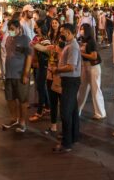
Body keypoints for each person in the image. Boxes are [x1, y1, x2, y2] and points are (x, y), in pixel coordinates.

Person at [50, 23, 82, 152]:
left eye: (63, 32)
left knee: (65, 112)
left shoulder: (73, 46)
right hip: (70, 80)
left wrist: (57, 70)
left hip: (70, 81)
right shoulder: (69, 45)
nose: (61, 34)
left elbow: (71, 67)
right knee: (72, 110)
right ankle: (73, 136)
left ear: (69, 32)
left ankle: (66, 143)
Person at [1, 19, 33, 133]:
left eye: (12, 29)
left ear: (19, 28)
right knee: (10, 98)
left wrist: (26, 74)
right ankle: (14, 119)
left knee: (22, 100)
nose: (10, 31)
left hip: (20, 75)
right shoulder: (9, 39)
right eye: (9, 29)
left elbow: (29, 57)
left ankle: (22, 122)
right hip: (9, 75)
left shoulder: (25, 39)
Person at [77, 23, 106, 119]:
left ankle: (100, 113)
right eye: (80, 29)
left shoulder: (91, 41)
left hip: (93, 67)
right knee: (82, 88)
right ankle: (77, 110)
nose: (81, 31)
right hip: (85, 66)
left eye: (83, 29)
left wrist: (81, 53)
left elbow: (94, 56)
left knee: (95, 89)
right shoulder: (82, 40)